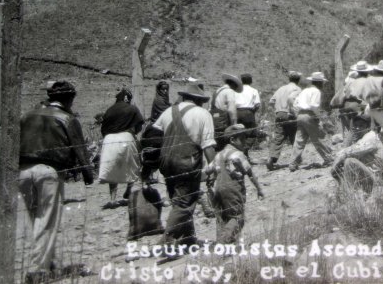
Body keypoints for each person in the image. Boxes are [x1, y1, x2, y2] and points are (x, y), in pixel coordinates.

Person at [18, 81, 94, 284]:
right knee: (47, 220)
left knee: (36, 218)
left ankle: (47, 261)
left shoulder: (27, 115)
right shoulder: (67, 118)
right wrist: (88, 173)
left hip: (23, 170)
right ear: (69, 99)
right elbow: (79, 147)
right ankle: (37, 270)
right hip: (50, 171)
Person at [154, 84, 217, 251]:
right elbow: (208, 146)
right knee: (184, 202)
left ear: (184, 97)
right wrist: (215, 167)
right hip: (187, 161)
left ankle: (188, 239)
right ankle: (167, 242)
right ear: (199, 100)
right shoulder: (203, 114)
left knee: (178, 199)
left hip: (166, 161)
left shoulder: (168, 112)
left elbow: (154, 135)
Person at [204, 124, 265, 244]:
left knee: (223, 217)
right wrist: (259, 189)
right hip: (233, 189)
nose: (245, 142)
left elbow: (207, 170)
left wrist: (210, 179)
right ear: (232, 140)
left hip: (218, 189)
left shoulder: (218, 155)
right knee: (237, 217)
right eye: (242, 139)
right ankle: (223, 241)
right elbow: (250, 173)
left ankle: (225, 243)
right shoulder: (238, 155)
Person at [98, 88, 144, 209]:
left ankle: (113, 199)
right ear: (128, 98)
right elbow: (139, 125)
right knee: (132, 165)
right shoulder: (132, 108)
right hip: (126, 137)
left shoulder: (109, 110)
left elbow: (103, 129)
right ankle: (130, 192)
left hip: (109, 140)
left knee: (112, 168)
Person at [289, 72, 334, 172]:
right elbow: (314, 105)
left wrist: (299, 114)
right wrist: (318, 116)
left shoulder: (304, 91)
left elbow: (295, 104)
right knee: (318, 137)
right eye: (322, 82)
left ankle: (293, 163)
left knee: (299, 140)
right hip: (310, 115)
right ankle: (328, 158)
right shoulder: (316, 91)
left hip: (300, 115)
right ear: (319, 82)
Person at [331, 130, 383, 195]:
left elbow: (349, 152)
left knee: (349, 162)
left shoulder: (371, 137)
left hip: (377, 178)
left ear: (366, 127)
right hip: (372, 176)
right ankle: (348, 190)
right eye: (355, 125)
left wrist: (335, 164)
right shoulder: (366, 138)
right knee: (344, 164)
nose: (356, 129)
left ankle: (352, 193)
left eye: (360, 125)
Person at [330, 60, 382, 146]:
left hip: (346, 106)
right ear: (367, 71)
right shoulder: (368, 81)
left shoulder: (351, 81)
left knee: (353, 129)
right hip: (358, 106)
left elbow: (343, 93)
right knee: (371, 118)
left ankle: (350, 144)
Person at [266, 71, 302, 171]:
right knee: (294, 137)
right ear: (298, 80)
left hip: (279, 114)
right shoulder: (297, 89)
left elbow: (271, 102)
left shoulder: (281, 89)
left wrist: (277, 110)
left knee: (278, 138)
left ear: (289, 79)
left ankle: (271, 159)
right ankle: (296, 159)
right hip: (290, 114)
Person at [210, 74, 242, 150]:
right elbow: (231, 109)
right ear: (233, 84)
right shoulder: (229, 91)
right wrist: (234, 124)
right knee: (225, 142)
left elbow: (210, 107)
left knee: (216, 140)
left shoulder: (216, 91)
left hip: (214, 120)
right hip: (224, 121)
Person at [235, 73, 261, 155]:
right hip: (248, 112)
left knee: (239, 133)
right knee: (252, 133)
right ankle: (245, 150)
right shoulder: (254, 90)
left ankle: (240, 152)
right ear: (251, 81)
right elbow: (257, 104)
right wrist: (253, 111)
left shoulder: (236, 90)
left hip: (237, 112)